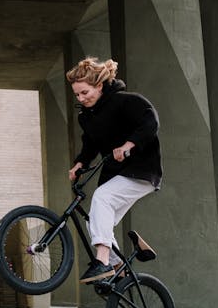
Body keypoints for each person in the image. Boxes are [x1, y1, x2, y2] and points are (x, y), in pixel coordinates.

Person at [66, 56, 162, 283]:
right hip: (117, 172)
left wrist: (129, 145)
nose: (81, 98)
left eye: (85, 93)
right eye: (77, 95)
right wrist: (80, 163)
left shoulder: (125, 101)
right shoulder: (86, 117)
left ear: (99, 86)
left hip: (141, 169)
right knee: (95, 220)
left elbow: (151, 121)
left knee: (102, 198)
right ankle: (121, 269)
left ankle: (101, 261)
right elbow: (90, 145)